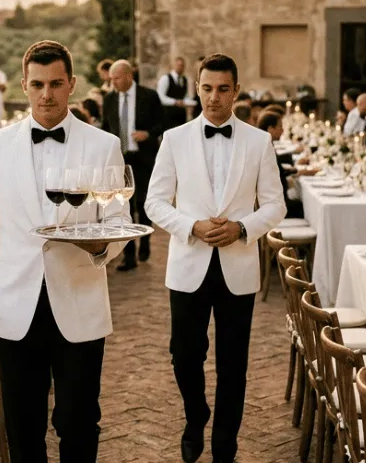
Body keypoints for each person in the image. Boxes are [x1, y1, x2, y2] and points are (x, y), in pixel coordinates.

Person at [0, 40, 129, 463]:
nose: (46, 94)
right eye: (37, 84)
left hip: (80, 301)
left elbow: (119, 221)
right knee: (23, 428)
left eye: (56, 83)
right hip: (16, 308)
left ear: (71, 84)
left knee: (78, 423)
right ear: (23, 86)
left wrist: (99, 247)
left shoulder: (102, 144)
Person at [145, 53, 286, 463]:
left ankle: (225, 442)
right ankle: (195, 415)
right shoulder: (174, 139)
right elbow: (153, 202)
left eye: (223, 89)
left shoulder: (259, 141)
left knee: (233, 363)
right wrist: (191, 226)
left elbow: (275, 206)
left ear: (236, 91)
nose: (214, 97)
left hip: (238, 266)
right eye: (206, 88)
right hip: (188, 263)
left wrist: (242, 228)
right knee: (183, 354)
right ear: (197, 88)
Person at [102, 59, 165, 271]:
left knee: (143, 205)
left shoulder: (149, 96)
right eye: (111, 80)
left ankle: (145, 242)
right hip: (119, 160)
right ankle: (128, 256)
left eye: (116, 79)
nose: (113, 83)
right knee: (123, 206)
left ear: (128, 76)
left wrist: (147, 134)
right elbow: (104, 128)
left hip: (144, 158)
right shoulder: (109, 99)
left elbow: (162, 124)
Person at [158, 56, 194, 130]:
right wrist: (175, 102)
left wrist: (187, 102)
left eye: (182, 66)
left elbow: (185, 95)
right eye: (179, 65)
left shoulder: (185, 79)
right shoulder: (165, 78)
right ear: (174, 65)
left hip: (181, 116)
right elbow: (160, 97)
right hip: (168, 115)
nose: (180, 67)